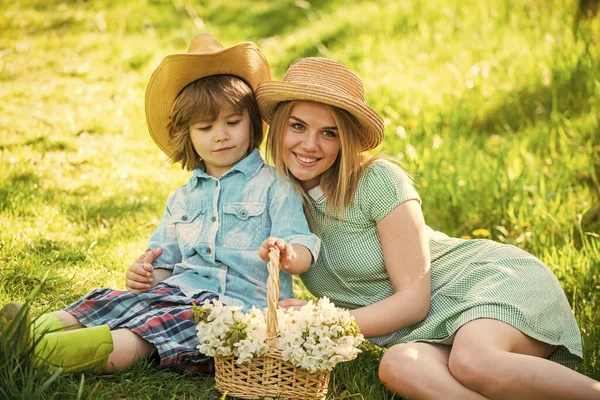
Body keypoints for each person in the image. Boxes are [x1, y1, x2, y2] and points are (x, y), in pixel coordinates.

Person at [251, 57, 599, 399]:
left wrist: (321, 318)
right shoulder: (279, 200)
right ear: (279, 126)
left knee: (473, 361)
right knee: (399, 365)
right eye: (298, 126)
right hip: (429, 333)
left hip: (485, 282)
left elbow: (413, 302)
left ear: (347, 140)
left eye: (329, 132)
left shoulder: (377, 181)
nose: (310, 145)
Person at [0, 34, 320, 375]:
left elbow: (303, 244)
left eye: (232, 122)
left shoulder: (275, 185)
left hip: (234, 311)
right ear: (189, 136)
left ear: (252, 122)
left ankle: (49, 353)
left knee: (150, 331)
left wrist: (287, 253)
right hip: (179, 290)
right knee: (111, 300)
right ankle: (25, 332)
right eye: (205, 127)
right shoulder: (183, 197)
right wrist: (145, 275)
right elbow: (163, 262)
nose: (220, 135)